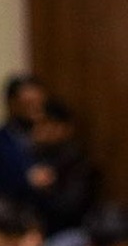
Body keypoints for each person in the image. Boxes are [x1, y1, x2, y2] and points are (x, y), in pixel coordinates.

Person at [0, 74, 47, 206]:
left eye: (39, 104)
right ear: (12, 104)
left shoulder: (52, 142)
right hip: (7, 212)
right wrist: (26, 181)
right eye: (29, 104)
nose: (36, 110)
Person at [28, 98, 101, 236]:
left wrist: (46, 189)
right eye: (35, 124)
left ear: (64, 128)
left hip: (67, 233)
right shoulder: (31, 157)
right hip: (28, 231)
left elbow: (71, 208)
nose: (38, 129)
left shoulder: (78, 164)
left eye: (45, 123)